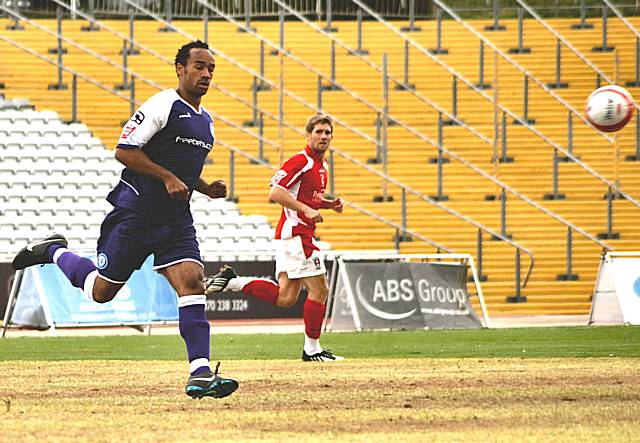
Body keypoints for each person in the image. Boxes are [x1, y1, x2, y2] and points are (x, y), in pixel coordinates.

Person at [11, 40, 238, 399]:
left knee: (192, 282)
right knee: (101, 292)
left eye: (211, 68)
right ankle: (53, 251)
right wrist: (166, 179)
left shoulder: (206, 122)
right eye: (198, 66)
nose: (206, 74)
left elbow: (181, 170)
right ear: (180, 68)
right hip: (136, 214)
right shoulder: (162, 105)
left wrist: (206, 187)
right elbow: (125, 151)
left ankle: (200, 372)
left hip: (175, 219)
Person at [204, 114, 344, 362]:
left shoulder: (322, 168)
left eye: (327, 132)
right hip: (296, 234)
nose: (323, 136)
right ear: (308, 135)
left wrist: (327, 204)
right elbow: (276, 192)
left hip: (293, 235)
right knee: (320, 289)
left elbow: (307, 197)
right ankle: (312, 350)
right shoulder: (300, 161)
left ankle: (231, 282)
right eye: (319, 132)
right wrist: (306, 210)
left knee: (286, 298)